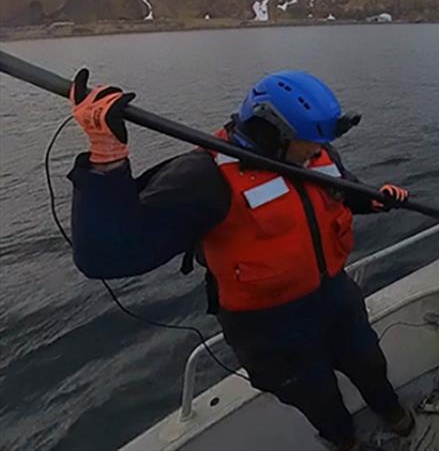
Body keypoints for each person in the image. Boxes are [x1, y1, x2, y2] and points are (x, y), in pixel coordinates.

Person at [66, 68, 414, 451]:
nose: (319, 150)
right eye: (309, 142)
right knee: (317, 397)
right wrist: (106, 159)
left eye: (322, 141)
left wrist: (371, 199)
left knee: (369, 363)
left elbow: (339, 191)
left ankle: (394, 414)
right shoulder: (202, 177)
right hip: (270, 327)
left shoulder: (317, 152)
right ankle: (346, 443)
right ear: (272, 134)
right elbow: (108, 256)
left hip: (334, 297)